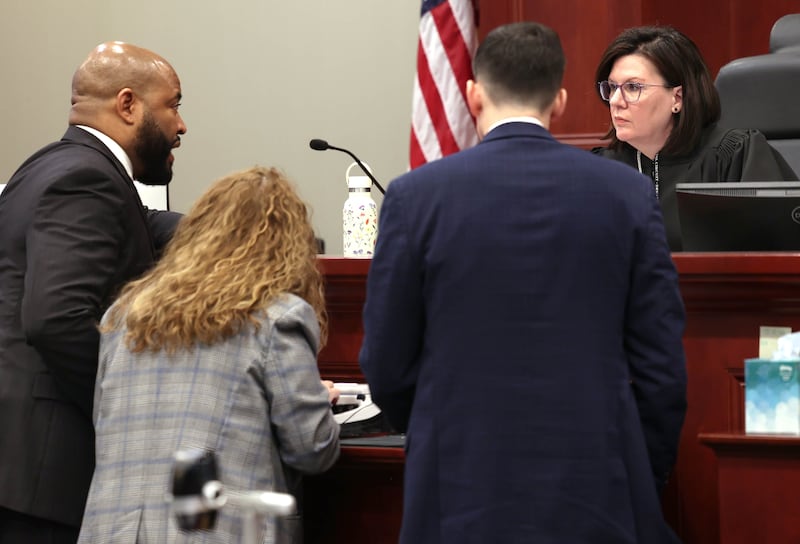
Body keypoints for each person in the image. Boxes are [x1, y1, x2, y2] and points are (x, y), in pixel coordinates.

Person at [359, 21, 687, 544]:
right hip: (597, 488)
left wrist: (438, 429)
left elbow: (387, 364)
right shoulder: (625, 195)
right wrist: (639, 476)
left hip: (459, 489)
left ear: (472, 94)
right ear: (557, 100)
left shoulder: (415, 197)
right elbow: (661, 368)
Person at [77, 166, 341, 544]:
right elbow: (312, 449)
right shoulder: (276, 317)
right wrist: (319, 400)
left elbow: (102, 425)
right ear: (290, 248)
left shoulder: (123, 316)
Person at [0, 42, 186, 543]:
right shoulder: (88, 179)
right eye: (174, 104)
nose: (181, 125)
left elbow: (133, 226)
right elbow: (55, 318)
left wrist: (225, 224)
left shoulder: (48, 167)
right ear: (128, 105)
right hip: (44, 475)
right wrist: (127, 405)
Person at [593, 25, 798, 250]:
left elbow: (776, 252)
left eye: (633, 87)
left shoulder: (733, 157)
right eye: (612, 87)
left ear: (677, 98)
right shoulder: (600, 170)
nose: (615, 101)